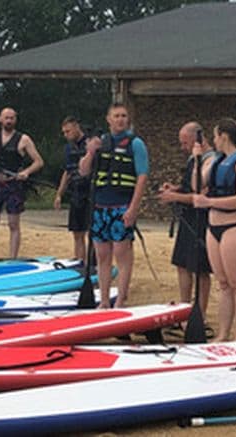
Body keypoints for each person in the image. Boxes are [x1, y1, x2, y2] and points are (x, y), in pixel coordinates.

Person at [192, 118, 236, 342]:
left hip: (234, 227)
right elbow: (196, 185)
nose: (213, 140)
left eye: (215, 136)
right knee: (222, 283)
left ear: (224, 136)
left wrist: (209, 202)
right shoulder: (215, 161)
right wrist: (196, 159)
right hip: (214, 227)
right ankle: (222, 334)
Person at [78, 103, 148, 308]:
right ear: (108, 119)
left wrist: (133, 208)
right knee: (102, 255)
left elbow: (142, 176)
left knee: (122, 253)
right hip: (100, 207)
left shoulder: (135, 144)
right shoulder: (100, 143)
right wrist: (90, 152)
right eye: (116, 116)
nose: (120, 119)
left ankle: (121, 300)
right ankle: (105, 300)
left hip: (122, 206)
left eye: (124, 116)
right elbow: (83, 171)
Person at [157, 122, 215, 320]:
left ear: (197, 139)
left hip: (202, 219)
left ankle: (200, 314)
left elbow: (201, 196)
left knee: (200, 269)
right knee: (182, 263)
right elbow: (189, 189)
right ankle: (184, 308)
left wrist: (175, 198)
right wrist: (175, 189)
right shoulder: (193, 158)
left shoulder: (210, 161)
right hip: (187, 219)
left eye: (185, 143)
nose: (183, 148)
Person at [0, 107, 44, 258]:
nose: (9, 121)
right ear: (0, 119)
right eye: (6, 118)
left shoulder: (23, 139)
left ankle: (13, 257)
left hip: (13, 184)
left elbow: (38, 162)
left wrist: (26, 172)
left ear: (15, 120)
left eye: (12, 118)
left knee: (13, 223)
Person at [54, 117, 91, 261]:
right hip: (76, 192)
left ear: (76, 127)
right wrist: (59, 194)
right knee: (77, 232)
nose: (66, 135)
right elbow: (67, 172)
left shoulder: (90, 142)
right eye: (64, 132)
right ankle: (79, 261)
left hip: (90, 192)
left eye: (68, 131)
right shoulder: (68, 148)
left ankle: (93, 264)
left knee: (92, 233)